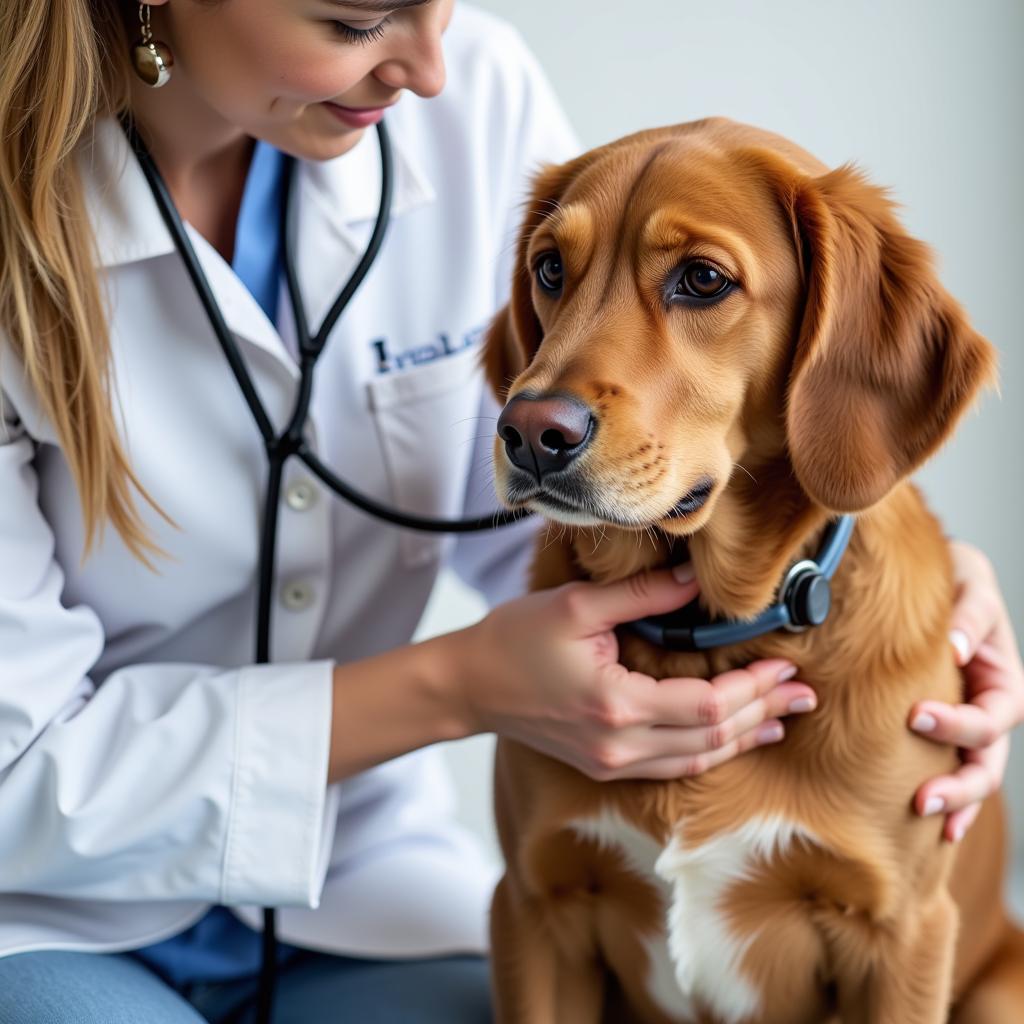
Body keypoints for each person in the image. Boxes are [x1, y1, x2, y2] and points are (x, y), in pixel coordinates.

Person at [0, 1, 1020, 1021]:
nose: (431, 70)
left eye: (441, 1)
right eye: (357, 19)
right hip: (46, 903)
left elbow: (580, 510)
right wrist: (453, 686)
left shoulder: (472, 92)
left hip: (357, 889)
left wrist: (904, 574)